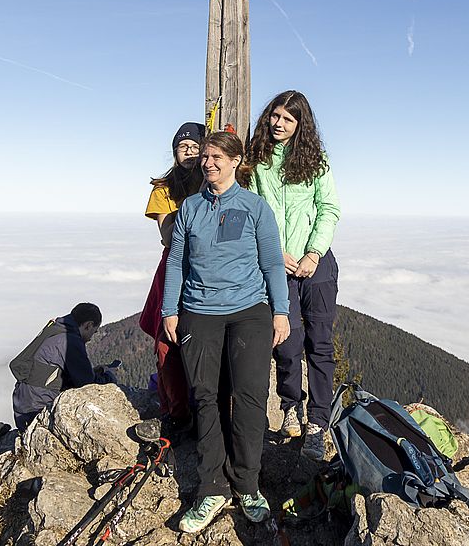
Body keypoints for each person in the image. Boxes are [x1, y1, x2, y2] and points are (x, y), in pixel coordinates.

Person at [161, 130, 291, 533]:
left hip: (249, 311)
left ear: (236, 162)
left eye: (218, 156)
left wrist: (281, 311)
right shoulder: (190, 209)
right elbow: (177, 263)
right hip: (199, 311)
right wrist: (170, 310)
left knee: (250, 398)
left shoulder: (255, 207)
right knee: (206, 399)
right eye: (206, 157)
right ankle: (212, 488)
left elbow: (271, 263)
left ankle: (248, 485)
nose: (209, 163)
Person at [246, 90, 340, 460]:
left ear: (301, 124)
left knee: (319, 344)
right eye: (275, 116)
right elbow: (254, 211)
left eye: (287, 118)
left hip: (316, 266)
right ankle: (290, 407)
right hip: (277, 264)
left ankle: (317, 424)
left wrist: (314, 253)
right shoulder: (259, 161)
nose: (278, 123)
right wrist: (273, 252)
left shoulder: (316, 161)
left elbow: (328, 208)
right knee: (285, 343)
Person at [137, 121, 205, 433]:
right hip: (175, 266)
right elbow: (167, 236)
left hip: (209, 267)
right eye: (183, 147)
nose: (189, 151)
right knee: (168, 341)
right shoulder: (164, 189)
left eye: (195, 145)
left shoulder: (216, 180)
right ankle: (177, 413)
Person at [10, 302, 114, 431]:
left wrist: (94, 371)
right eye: (94, 331)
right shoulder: (69, 341)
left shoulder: (56, 328)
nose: (91, 338)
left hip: (23, 406)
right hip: (36, 411)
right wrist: (108, 377)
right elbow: (87, 384)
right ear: (89, 325)